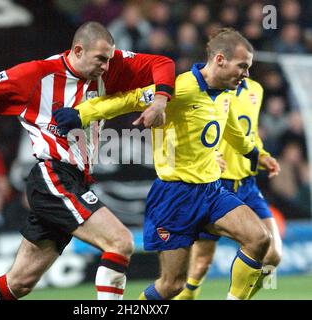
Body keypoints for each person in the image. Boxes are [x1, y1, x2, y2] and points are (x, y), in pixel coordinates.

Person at [54, 28, 278, 300]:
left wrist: (255, 155)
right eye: (243, 66)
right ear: (220, 60)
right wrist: (80, 115)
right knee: (172, 286)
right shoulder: (179, 88)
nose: (246, 74)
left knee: (259, 239)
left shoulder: (227, 93)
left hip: (211, 191)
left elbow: (234, 133)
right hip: (175, 197)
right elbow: (127, 100)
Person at [0, 21, 175, 300]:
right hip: (53, 175)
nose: (106, 67)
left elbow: (163, 63)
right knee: (120, 241)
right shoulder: (37, 74)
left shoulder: (111, 65)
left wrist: (159, 100)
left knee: (20, 282)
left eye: (109, 59)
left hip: (75, 181)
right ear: (78, 50)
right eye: (100, 59)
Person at [174, 77, 282, 300]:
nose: (245, 70)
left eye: (247, 64)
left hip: (247, 184)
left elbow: (249, 133)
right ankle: (187, 296)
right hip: (217, 184)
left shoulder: (256, 88)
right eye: (241, 63)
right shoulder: (208, 89)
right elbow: (190, 131)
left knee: (273, 255)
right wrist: (207, 155)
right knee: (201, 261)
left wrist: (261, 155)